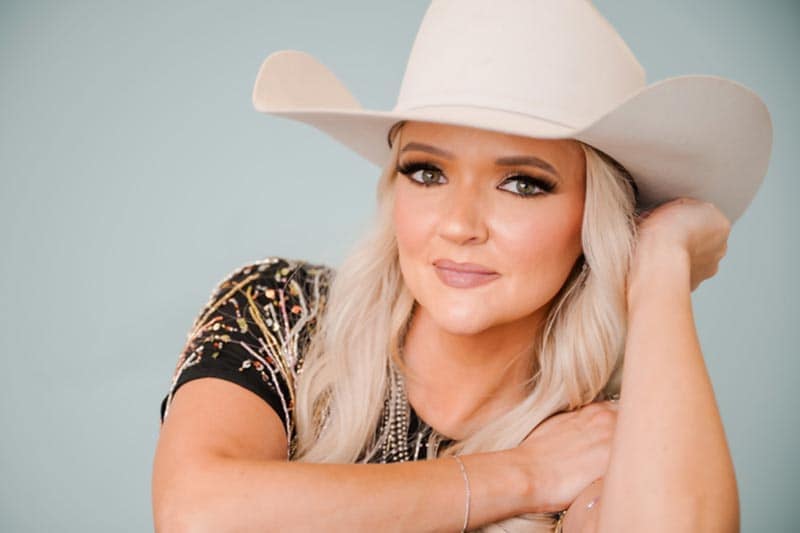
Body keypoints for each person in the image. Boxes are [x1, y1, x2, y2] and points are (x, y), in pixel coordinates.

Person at [152, 1, 772, 531]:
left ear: (595, 218)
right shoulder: (286, 312)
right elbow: (199, 514)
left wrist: (660, 262)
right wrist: (524, 475)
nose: (459, 223)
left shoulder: (607, 437)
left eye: (523, 183)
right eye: (427, 172)